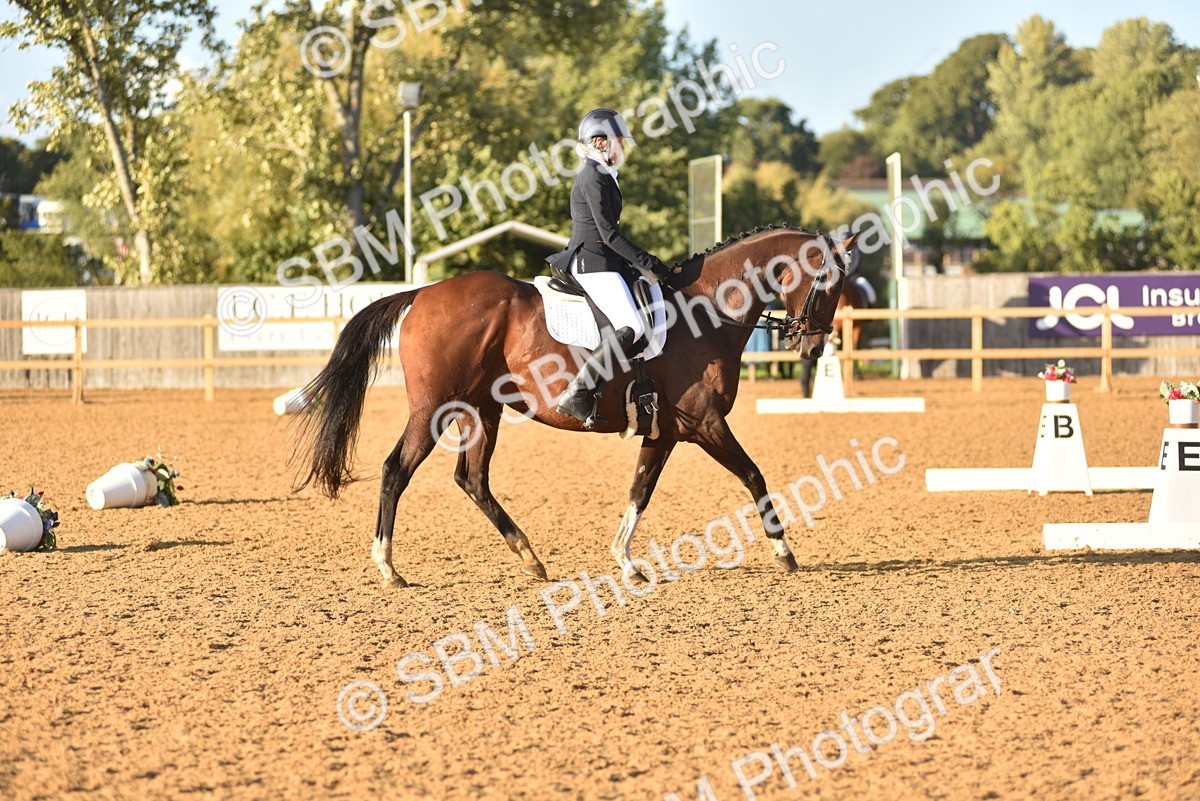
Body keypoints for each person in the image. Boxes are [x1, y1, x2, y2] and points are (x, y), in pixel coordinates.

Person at [545, 108, 670, 426]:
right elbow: (609, 235)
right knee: (632, 326)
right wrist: (649, 263)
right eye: (619, 142)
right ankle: (577, 393)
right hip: (592, 262)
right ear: (601, 142)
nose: (623, 148)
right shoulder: (593, 177)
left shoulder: (602, 175)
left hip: (605, 262)